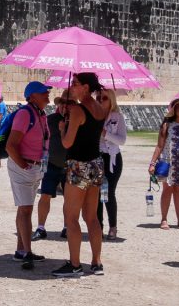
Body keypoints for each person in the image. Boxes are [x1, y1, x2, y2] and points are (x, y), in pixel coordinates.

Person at [52, 72, 108, 278]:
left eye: (75, 84)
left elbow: (67, 142)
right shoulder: (101, 108)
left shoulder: (76, 110)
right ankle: (96, 261)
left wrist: (62, 128)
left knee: (71, 216)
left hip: (78, 165)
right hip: (96, 164)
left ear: (85, 87)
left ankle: (75, 264)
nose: (72, 86)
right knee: (92, 217)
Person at [4, 81, 51, 270]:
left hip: (35, 168)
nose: (47, 94)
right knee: (25, 209)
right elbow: (11, 145)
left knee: (24, 209)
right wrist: (24, 166)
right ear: (31, 96)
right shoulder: (25, 114)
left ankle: (21, 250)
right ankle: (28, 253)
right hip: (23, 167)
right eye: (42, 92)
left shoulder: (41, 115)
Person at [148, 97, 179, 229]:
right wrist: (152, 163)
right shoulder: (167, 125)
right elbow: (159, 146)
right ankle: (164, 219)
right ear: (174, 110)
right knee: (167, 190)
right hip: (168, 160)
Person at [34, 92, 71, 241]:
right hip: (51, 163)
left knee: (70, 199)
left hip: (70, 165)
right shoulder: (50, 119)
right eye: (62, 103)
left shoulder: (77, 121)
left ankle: (67, 227)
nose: (64, 106)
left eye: (68, 104)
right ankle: (41, 227)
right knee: (45, 195)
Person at [96, 89, 127, 240]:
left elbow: (121, 140)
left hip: (112, 159)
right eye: (99, 98)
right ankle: (98, 226)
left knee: (108, 193)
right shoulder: (92, 116)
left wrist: (105, 134)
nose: (101, 100)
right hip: (96, 158)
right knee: (96, 194)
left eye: (104, 98)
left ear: (111, 100)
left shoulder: (117, 117)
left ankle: (113, 226)